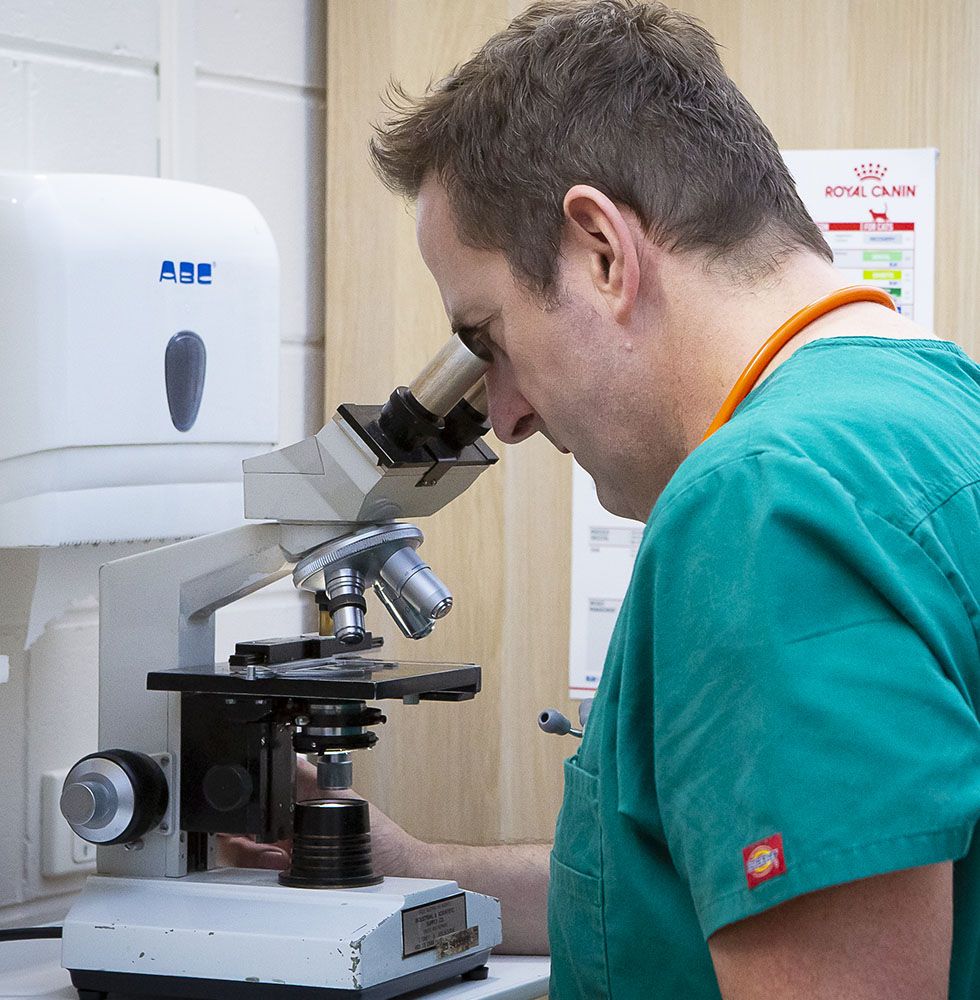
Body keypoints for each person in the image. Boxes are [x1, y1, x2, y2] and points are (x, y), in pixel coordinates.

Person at [227, 2, 980, 997]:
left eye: (487, 338)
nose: (500, 417)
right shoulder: (931, 401)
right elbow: (691, 888)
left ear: (598, 249)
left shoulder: (764, 503)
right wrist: (411, 863)